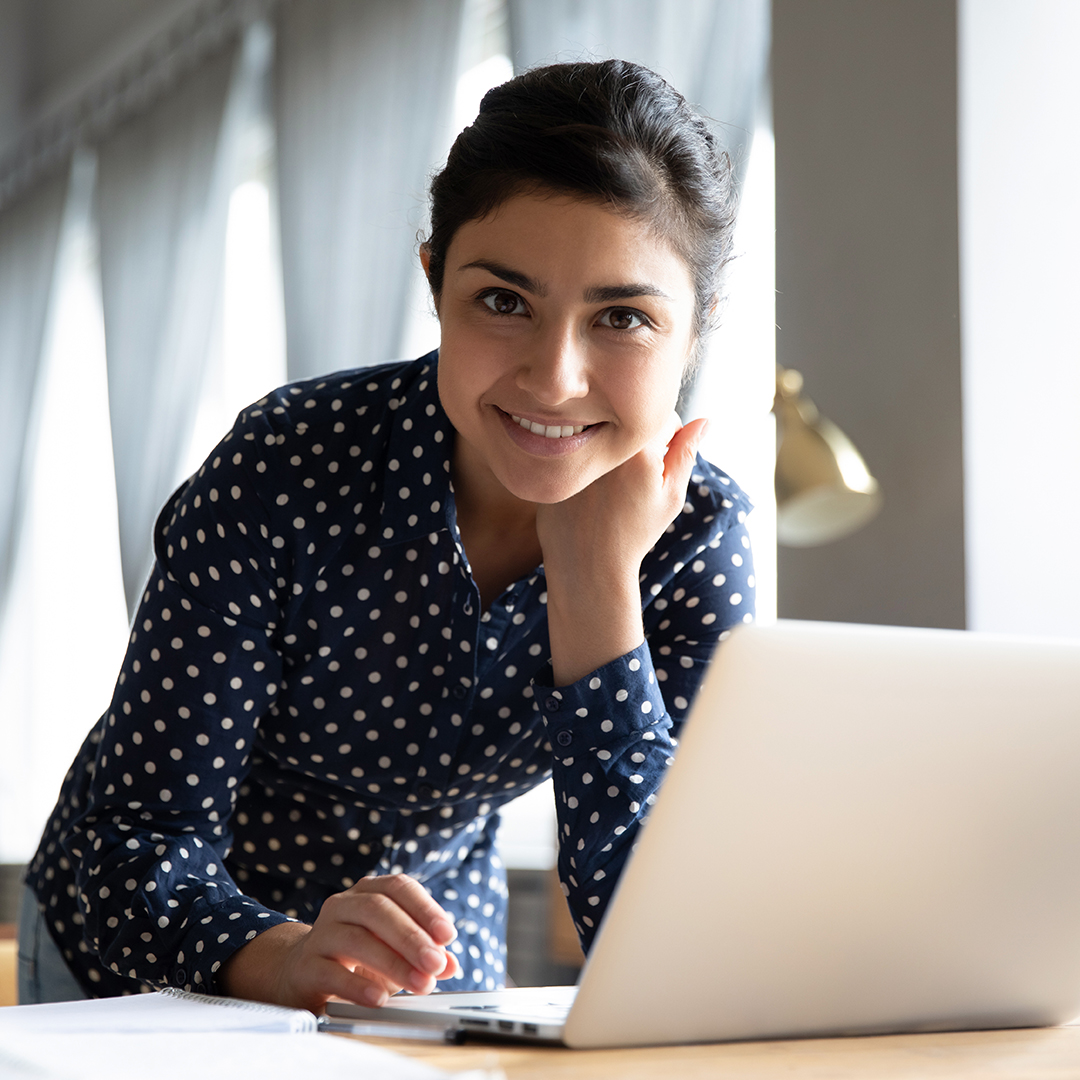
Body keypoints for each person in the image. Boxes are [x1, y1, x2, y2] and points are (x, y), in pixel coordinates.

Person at [21, 58, 755, 1011]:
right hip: (143, 960)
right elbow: (133, 846)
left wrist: (596, 584)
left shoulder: (695, 540)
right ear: (435, 283)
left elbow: (665, 936)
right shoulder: (287, 464)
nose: (554, 378)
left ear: (695, 335)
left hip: (428, 967)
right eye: (503, 301)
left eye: (623, 317)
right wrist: (281, 954)